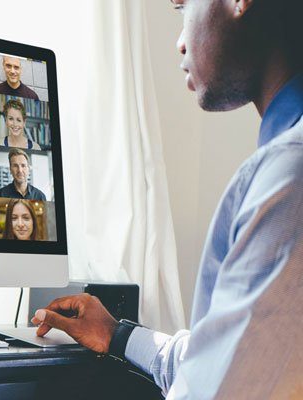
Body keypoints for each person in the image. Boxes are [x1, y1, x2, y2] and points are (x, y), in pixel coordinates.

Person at [32, 0, 303, 398]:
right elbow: (215, 362)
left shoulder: (288, 179)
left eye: (183, 7)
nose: (179, 43)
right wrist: (117, 333)